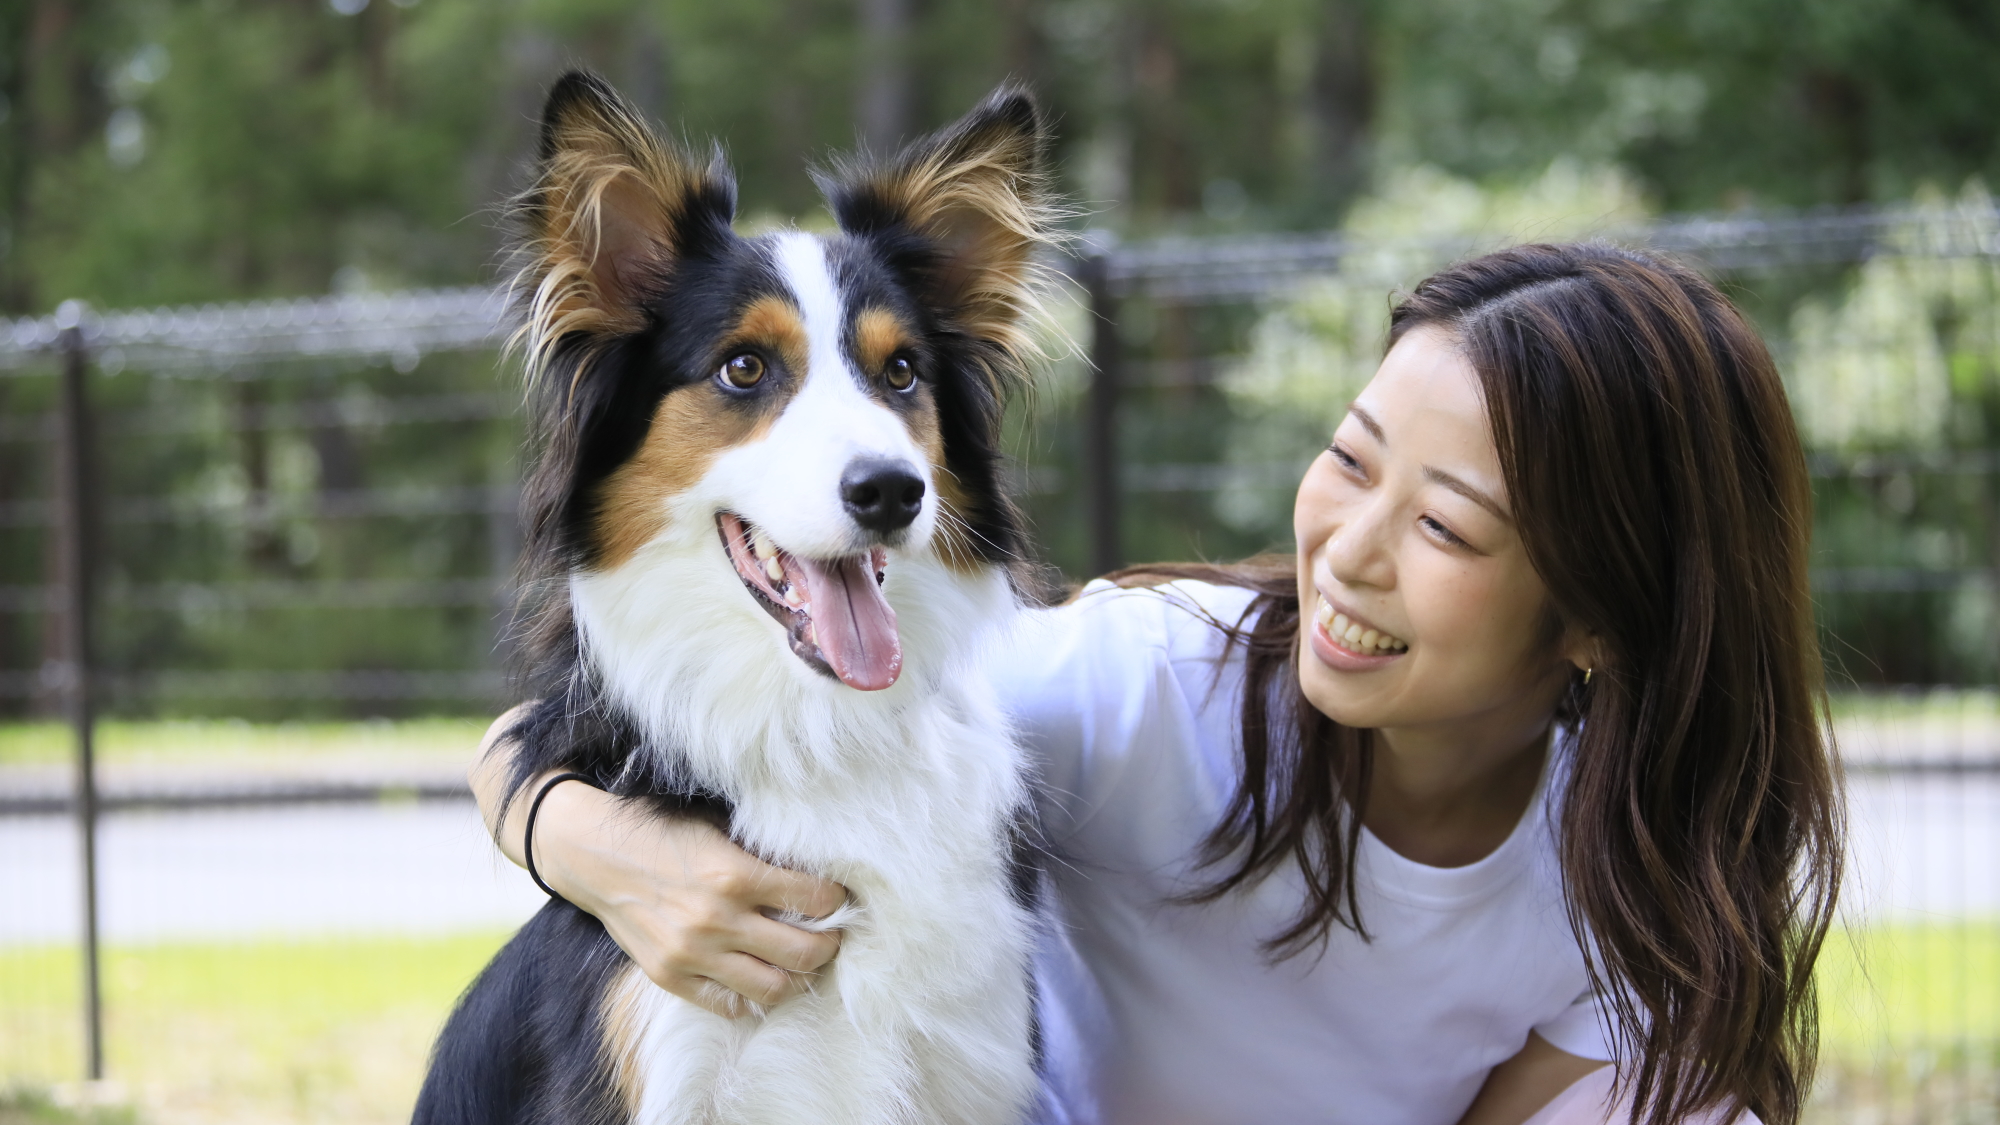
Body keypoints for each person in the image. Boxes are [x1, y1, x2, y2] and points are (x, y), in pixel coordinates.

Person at [471, 243, 1842, 1125]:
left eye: (1446, 528)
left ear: (1601, 615)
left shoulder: (1640, 906)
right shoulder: (1148, 693)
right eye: (1353, 461)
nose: (1347, 556)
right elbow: (543, 746)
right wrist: (590, 843)